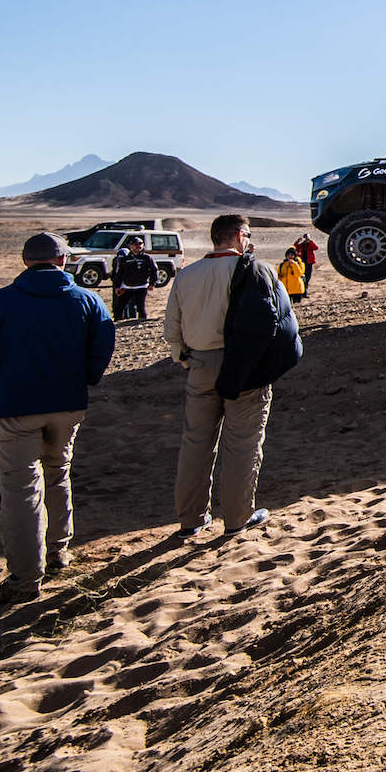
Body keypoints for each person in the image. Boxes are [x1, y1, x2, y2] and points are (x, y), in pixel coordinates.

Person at [0, 232, 116, 605]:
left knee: (19, 489)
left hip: (16, 406)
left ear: (25, 261)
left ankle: (25, 578)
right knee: (57, 472)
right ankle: (57, 552)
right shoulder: (88, 300)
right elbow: (104, 344)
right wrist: (85, 378)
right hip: (68, 403)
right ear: (64, 261)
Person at [164, 215, 280, 542]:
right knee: (242, 444)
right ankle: (237, 518)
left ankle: (190, 520)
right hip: (244, 367)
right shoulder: (256, 271)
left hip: (200, 365)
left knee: (195, 443)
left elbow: (172, 329)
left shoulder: (186, 275)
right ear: (241, 236)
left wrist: (186, 359)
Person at [111, 236, 154, 322]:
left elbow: (153, 271)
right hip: (127, 287)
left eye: (140, 244)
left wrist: (152, 283)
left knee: (140, 308)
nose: (138, 246)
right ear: (131, 246)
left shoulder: (147, 258)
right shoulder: (126, 259)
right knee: (119, 307)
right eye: (136, 244)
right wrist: (117, 286)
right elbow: (119, 274)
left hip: (141, 287)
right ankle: (116, 323)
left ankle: (142, 323)